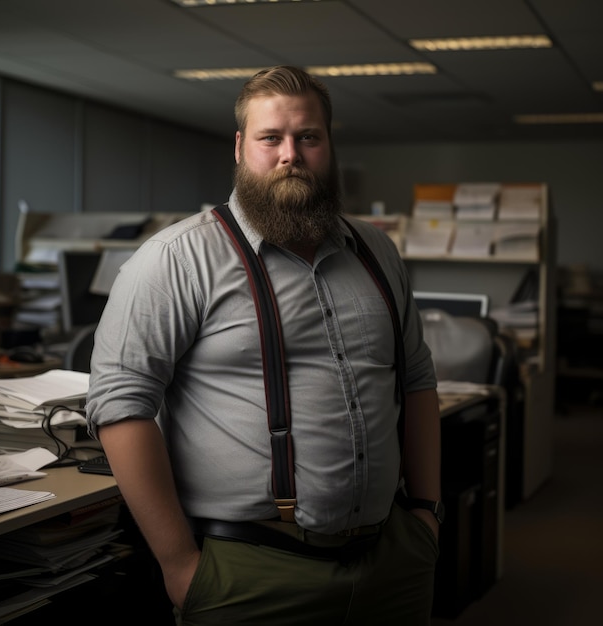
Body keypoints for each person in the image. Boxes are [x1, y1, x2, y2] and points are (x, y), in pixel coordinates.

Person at [85, 65, 442, 626]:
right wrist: (180, 565)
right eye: (270, 137)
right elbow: (120, 404)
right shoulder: (176, 258)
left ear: (329, 144)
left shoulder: (376, 252)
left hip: (392, 561)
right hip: (250, 572)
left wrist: (425, 513)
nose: (290, 154)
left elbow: (417, 379)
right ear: (240, 146)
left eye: (308, 137)